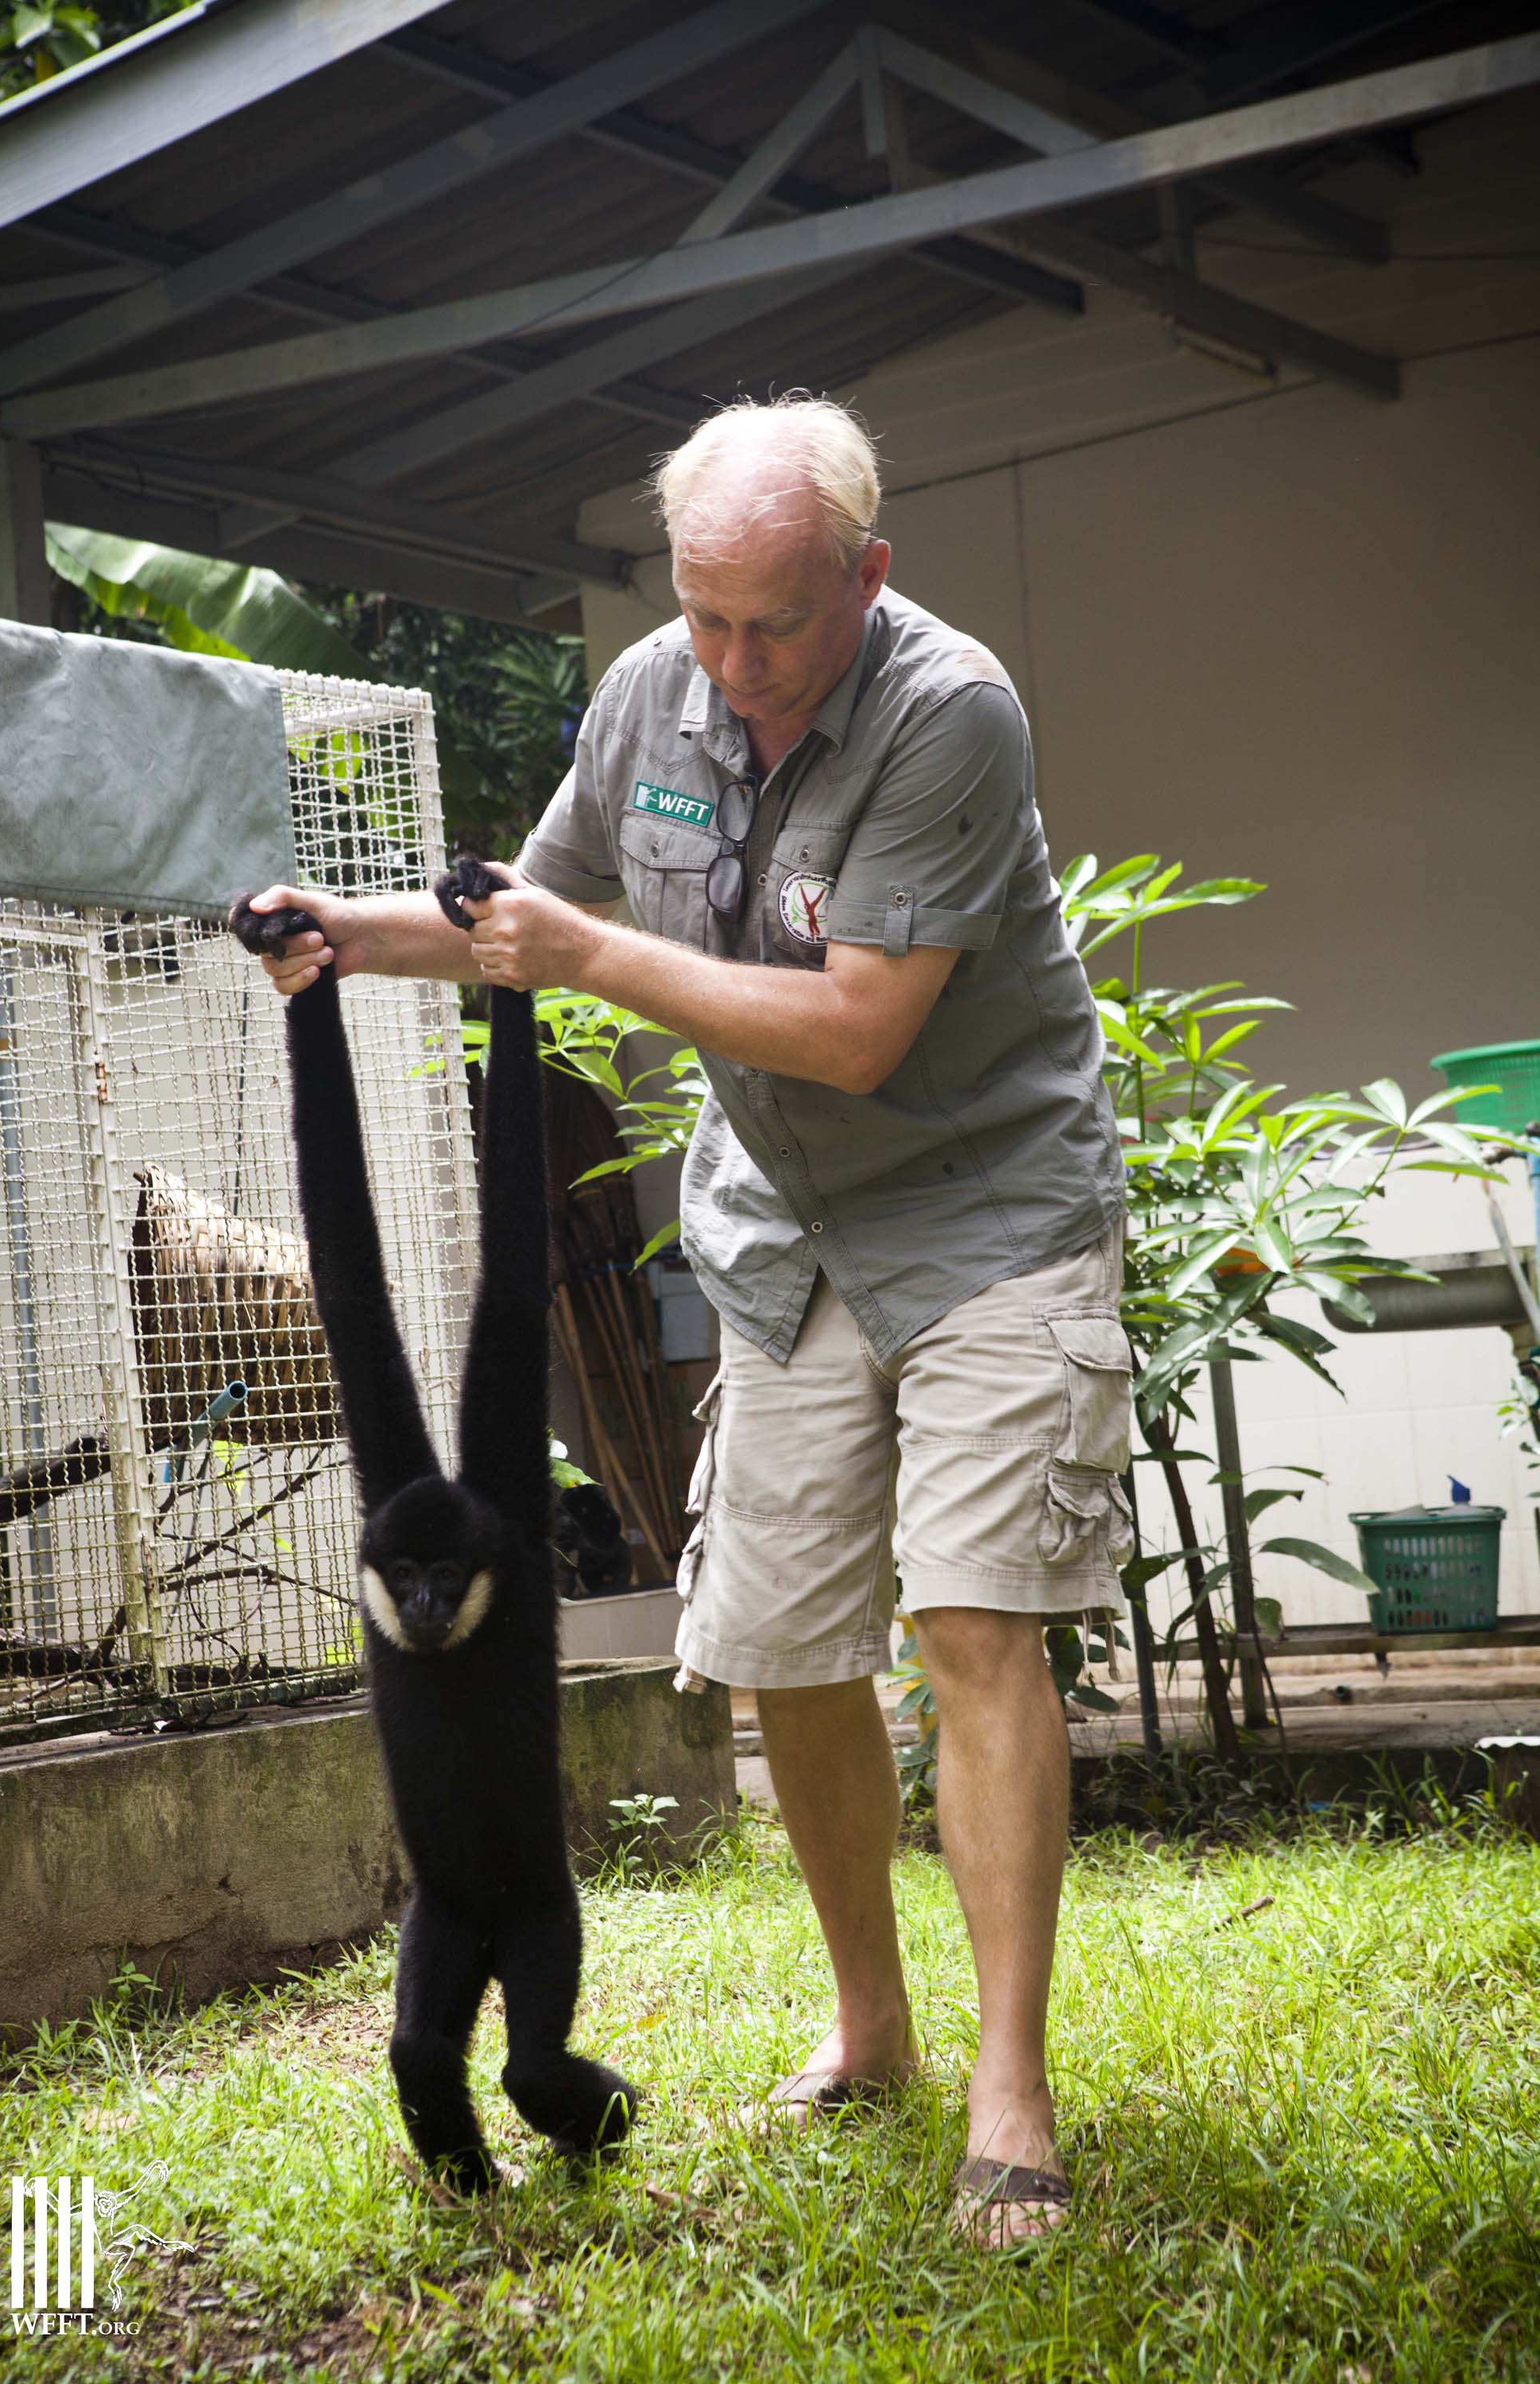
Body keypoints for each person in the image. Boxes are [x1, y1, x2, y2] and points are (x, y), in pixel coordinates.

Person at [244, 393, 1132, 2247]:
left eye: (774, 622)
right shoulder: (649, 690)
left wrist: (584, 960)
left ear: (864, 577)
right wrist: (353, 930)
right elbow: (529, 907)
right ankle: (870, 2032)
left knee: (971, 1631)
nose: (729, 663)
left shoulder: (948, 710)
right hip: (785, 1233)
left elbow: (859, 1026)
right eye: (703, 614)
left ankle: (1009, 2095)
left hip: (986, 1217)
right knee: (789, 1644)